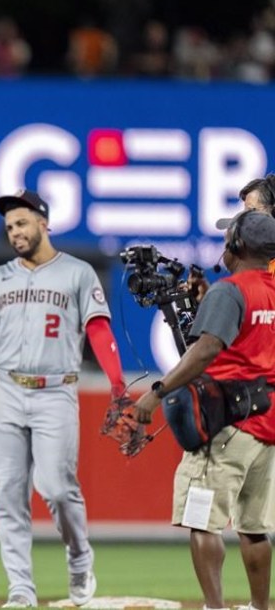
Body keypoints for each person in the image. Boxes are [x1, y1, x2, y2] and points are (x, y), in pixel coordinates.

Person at [0, 190, 126, 607]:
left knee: (57, 488)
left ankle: (79, 559)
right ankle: (20, 589)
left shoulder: (77, 273)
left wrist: (116, 384)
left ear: (43, 222)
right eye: (9, 227)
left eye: (21, 223)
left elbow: (98, 329)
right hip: (6, 389)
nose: (14, 232)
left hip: (56, 390)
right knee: (8, 494)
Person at [134, 210, 275, 610]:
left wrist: (156, 392)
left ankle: (214, 608)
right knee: (254, 528)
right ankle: (260, 608)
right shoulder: (269, 288)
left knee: (201, 519)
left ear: (237, 245)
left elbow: (207, 349)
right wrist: (206, 298)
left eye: (228, 237)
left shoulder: (230, 291)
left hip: (229, 422)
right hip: (267, 422)